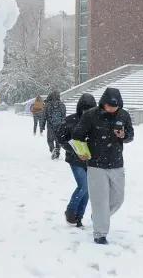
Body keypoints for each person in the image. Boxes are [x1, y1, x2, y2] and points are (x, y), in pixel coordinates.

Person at [72, 87, 134, 245]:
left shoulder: (124, 115)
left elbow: (131, 135)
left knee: (118, 198)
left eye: (115, 106)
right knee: (100, 200)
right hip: (96, 165)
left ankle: (99, 216)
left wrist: (124, 135)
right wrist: (81, 151)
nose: (113, 109)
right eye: (109, 106)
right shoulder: (90, 115)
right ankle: (100, 233)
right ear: (103, 103)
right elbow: (77, 135)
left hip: (116, 163)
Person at [56, 94, 96, 227]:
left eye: (90, 109)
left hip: (90, 160)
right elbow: (61, 138)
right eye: (85, 109)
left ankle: (78, 217)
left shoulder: (96, 120)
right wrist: (74, 149)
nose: (87, 112)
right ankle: (71, 211)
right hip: (75, 160)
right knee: (84, 186)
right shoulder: (70, 120)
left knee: (88, 189)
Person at [44, 91, 67, 160]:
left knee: (50, 140)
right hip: (60, 125)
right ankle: (57, 153)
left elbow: (44, 116)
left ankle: (52, 150)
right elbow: (64, 116)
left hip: (50, 125)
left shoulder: (47, 105)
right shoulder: (62, 105)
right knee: (58, 140)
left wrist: (42, 126)